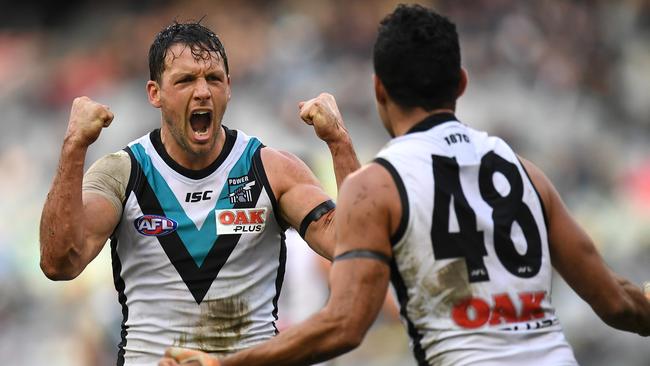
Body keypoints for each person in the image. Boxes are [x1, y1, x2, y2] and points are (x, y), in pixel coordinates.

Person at [159, 4, 650, 366]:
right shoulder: (524, 171)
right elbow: (619, 303)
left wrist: (226, 364)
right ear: (460, 83)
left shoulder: (380, 185)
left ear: (378, 90)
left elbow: (345, 326)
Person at [38, 21, 360, 365]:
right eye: (186, 80)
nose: (203, 91)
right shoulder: (123, 172)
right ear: (154, 93)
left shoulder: (271, 169)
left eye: (214, 78)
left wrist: (339, 142)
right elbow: (60, 264)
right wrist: (74, 146)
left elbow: (354, 245)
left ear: (229, 87)